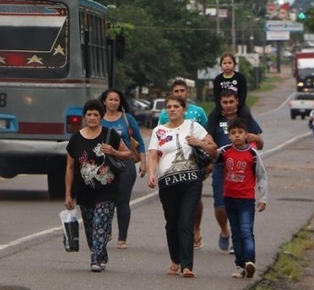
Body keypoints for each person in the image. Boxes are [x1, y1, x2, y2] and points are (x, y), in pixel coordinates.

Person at [147, 95, 217, 278]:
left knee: (186, 221)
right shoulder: (159, 131)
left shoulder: (194, 127)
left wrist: (199, 143)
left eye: (176, 106)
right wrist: (151, 174)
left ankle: (187, 266)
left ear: (183, 109)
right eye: (168, 107)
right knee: (172, 223)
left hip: (191, 181)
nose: (172, 109)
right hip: (167, 183)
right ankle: (175, 260)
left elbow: (213, 149)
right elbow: (154, 155)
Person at [64, 99, 131, 273]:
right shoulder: (76, 139)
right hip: (85, 191)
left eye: (96, 115)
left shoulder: (110, 135)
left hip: (107, 189)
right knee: (90, 226)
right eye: (89, 114)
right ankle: (101, 256)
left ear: (101, 117)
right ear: (85, 117)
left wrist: (113, 151)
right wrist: (68, 194)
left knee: (100, 223)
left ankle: (95, 259)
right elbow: (70, 168)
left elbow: (128, 153)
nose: (92, 118)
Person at [207, 89, 264, 254]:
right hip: (221, 167)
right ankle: (224, 230)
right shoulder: (215, 118)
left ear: (237, 101)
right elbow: (209, 141)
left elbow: (260, 144)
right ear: (220, 103)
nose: (228, 105)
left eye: (231, 102)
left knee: (238, 205)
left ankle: (236, 239)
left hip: (242, 169)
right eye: (225, 102)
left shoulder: (245, 118)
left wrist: (257, 139)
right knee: (220, 207)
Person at [215, 117, 268, 279]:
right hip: (229, 199)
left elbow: (262, 176)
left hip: (246, 200)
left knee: (246, 230)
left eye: (240, 132)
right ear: (229, 135)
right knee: (236, 234)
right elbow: (209, 158)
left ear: (246, 135)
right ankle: (240, 266)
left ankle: (250, 261)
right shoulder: (224, 152)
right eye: (233, 133)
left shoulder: (252, 154)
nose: (237, 136)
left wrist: (263, 197)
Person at [158, 79, 208, 249]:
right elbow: (159, 140)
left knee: (194, 197)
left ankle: (195, 228)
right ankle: (181, 229)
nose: (179, 93)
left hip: (194, 159)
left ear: (187, 92)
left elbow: (207, 136)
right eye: (176, 91)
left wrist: (208, 159)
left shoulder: (198, 112)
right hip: (171, 162)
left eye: (182, 90)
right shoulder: (165, 114)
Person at [100, 89, 147, 249]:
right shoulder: (98, 119)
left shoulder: (127, 119)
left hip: (125, 164)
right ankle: (107, 231)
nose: (113, 102)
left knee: (122, 200)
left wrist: (143, 163)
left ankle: (122, 238)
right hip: (104, 166)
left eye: (116, 100)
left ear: (120, 102)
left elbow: (139, 142)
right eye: (110, 99)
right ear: (104, 101)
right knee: (105, 200)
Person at [209, 52, 252, 125]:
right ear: (221, 65)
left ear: (234, 64)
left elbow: (243, 93)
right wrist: (220, 108)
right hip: (223, 105)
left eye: (230, 63)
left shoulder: (240, 77)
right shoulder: (218, 79)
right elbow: (216, 96)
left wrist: (238, 107)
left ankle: (249, 132)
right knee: (212, 116)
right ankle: (210, 134)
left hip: (238, 105)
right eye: (224, 63)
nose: (227, 65)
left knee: (246, 114)